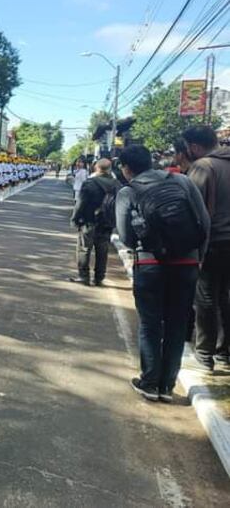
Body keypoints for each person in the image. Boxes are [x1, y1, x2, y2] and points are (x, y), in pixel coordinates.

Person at [115, 145, 209, 402]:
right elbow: (204, 221)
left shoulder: (128, 191)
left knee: (150, 323)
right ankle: (167, 386)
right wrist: (197, 257)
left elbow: (125, 236)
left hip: (150, 265)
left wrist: (147, 244)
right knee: (178, 324)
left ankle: (149, 382)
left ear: (126, 168)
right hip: (187, 265)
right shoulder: (181, 181)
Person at [183, 126, 230, 371]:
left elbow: (191, 206)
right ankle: (224, 352)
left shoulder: (204, 166)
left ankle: (204, 352)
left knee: (206, 296)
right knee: (225, 296)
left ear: (194, 146)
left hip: (215, 242)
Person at [70, 158, 120, 286]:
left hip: (89, 220)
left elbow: (81, 203)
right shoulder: (116, 185)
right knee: (102, 250)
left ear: (96, 168)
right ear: (110, 169)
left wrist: (75, 218)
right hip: (106, 222)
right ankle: (99, 277)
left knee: (84, 248)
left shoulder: (90, 183)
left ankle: (84, 276)